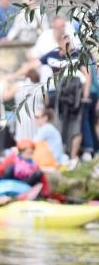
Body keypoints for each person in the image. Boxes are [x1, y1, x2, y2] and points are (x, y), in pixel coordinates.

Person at [40, 29, 90, 165]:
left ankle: (74, 156)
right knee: (57, 123)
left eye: (69, 42)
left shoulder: (77, 56)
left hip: (75, 96)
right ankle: (59, 154)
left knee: (77, 125)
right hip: (57, 96)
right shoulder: (51, 56)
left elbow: (87, 75)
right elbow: (39, 68)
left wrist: (85, 95)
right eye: (65, 42)